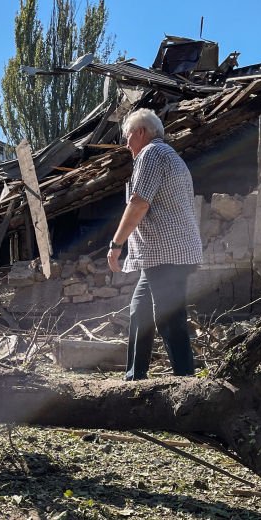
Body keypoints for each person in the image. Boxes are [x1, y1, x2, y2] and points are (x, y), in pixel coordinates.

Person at [107, 108, 203, 381]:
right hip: (162, 255)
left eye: (127, 137)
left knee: (168, 319)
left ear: (141, 132)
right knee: (140, 313)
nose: (126, 145)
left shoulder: (151, 154)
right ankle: (134, 378)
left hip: (167, 254)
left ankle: (186, 384)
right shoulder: (170, 156)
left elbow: (139, 203)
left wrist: (116, 244)